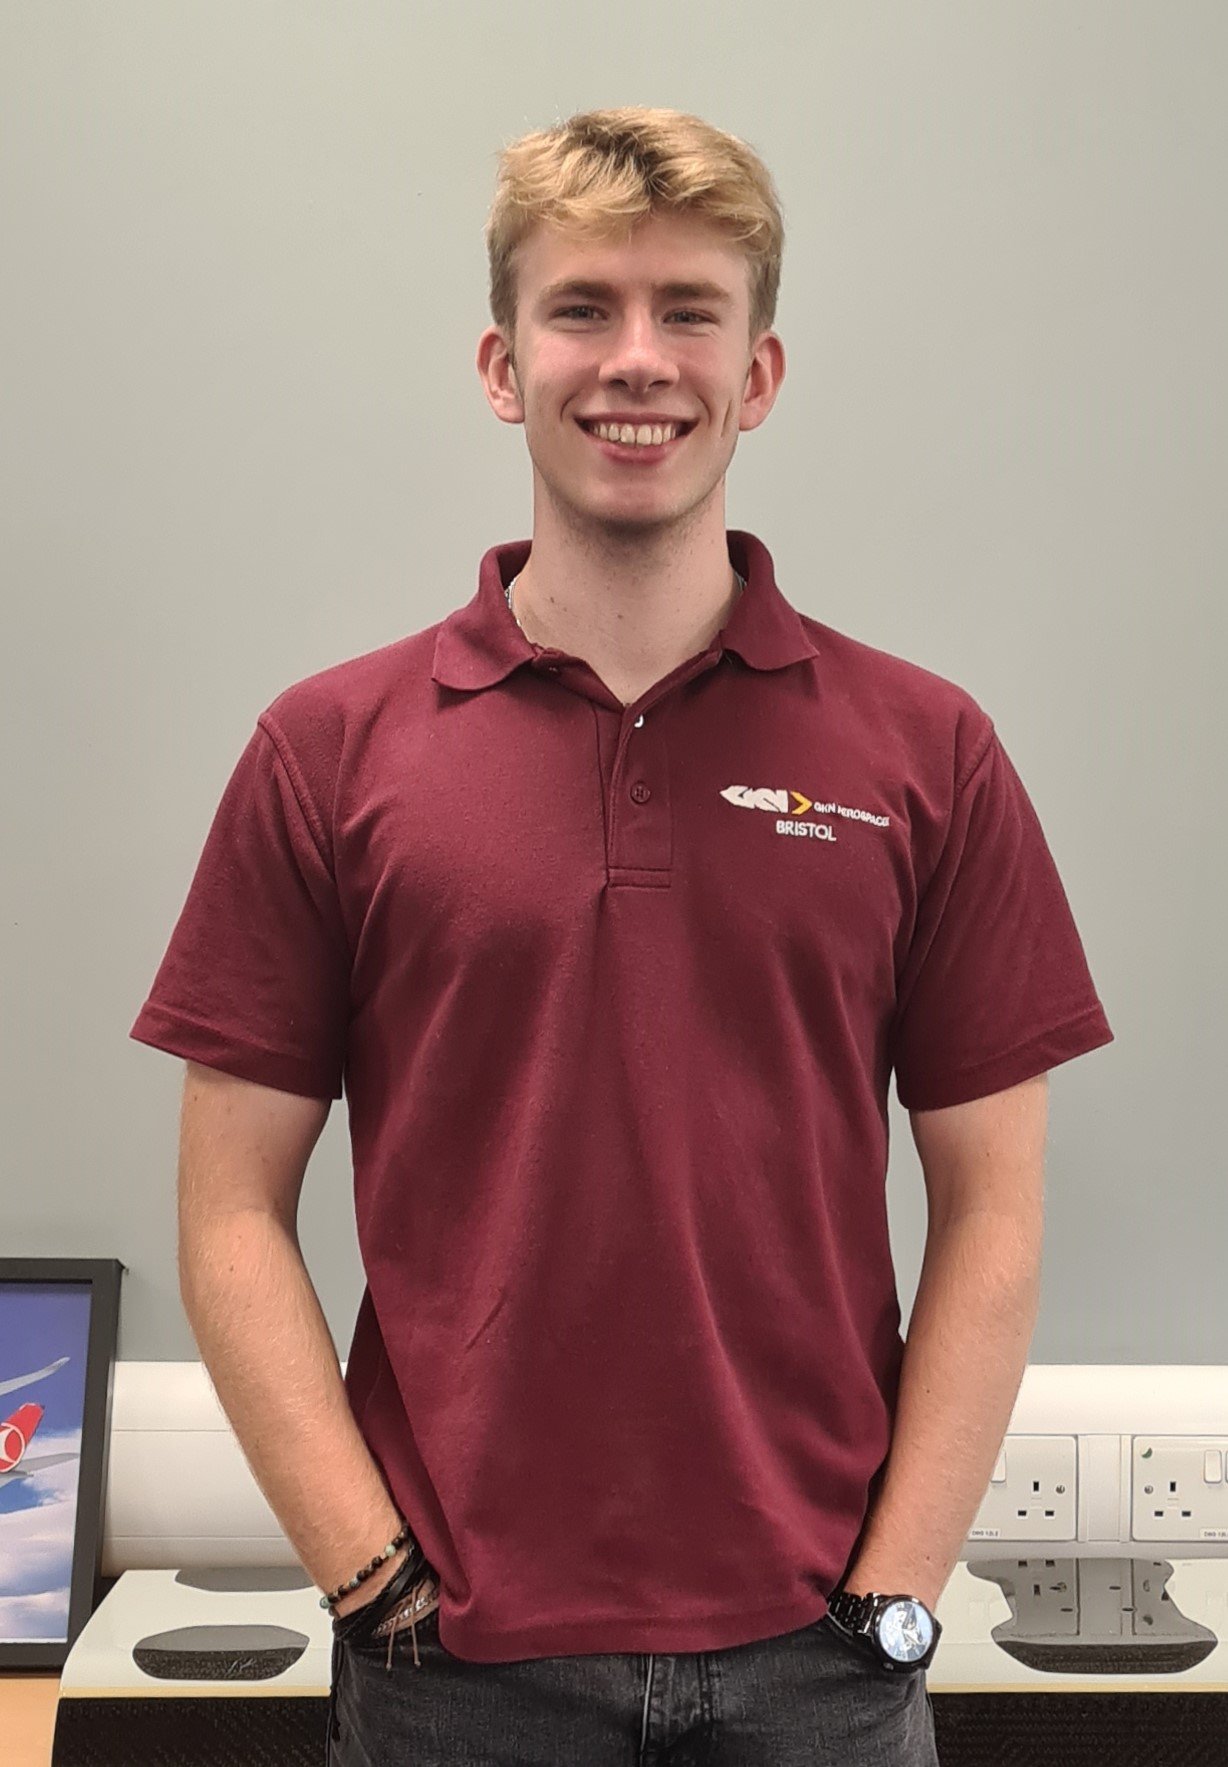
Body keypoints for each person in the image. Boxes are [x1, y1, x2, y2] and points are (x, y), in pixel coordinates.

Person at [130, 106, 1114, 1765]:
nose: (636, 359)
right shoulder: (331, 752)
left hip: (820, 1665)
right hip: (455, 1672)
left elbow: (995, 1211)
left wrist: (898, 1598)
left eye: (690, 311)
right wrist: (369, 1581)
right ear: (504, 365)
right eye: (582, 308)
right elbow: (228, 1208)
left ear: (764, 370)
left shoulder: (923, 752)